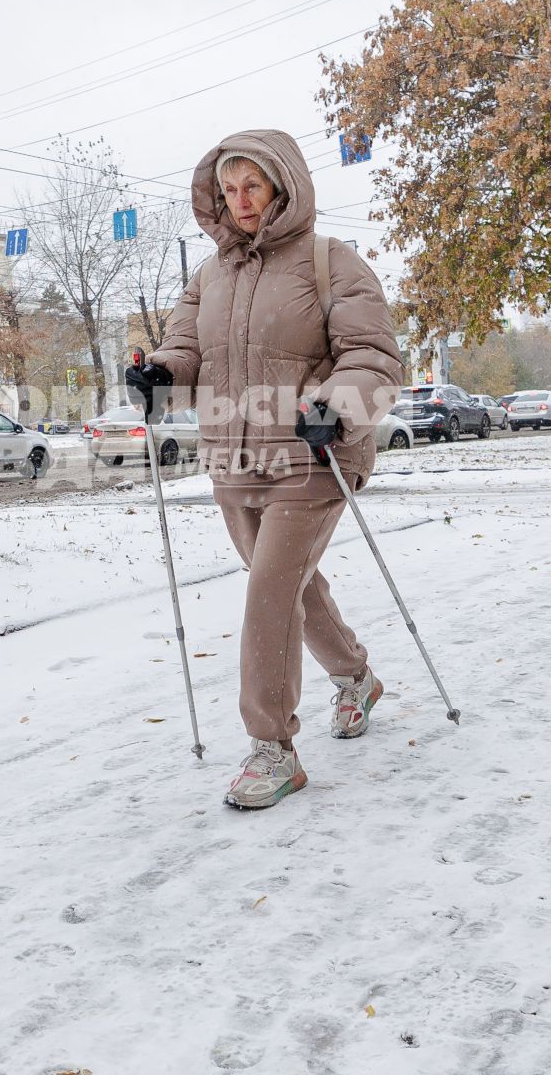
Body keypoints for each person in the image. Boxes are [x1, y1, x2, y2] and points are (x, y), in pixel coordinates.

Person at [126, 130, 403, 810]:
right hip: (235, 458)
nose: (240, 201)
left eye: (252, 185)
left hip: (314, 454)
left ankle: (271, 748)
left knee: (270, 592)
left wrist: (337, 408)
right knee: (288, 590)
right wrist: (159, 375)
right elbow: (185, 349)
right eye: (228, 189)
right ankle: (356, 678)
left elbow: (372, 355)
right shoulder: (210, 275)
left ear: (282, 185)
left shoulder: (329, 262)